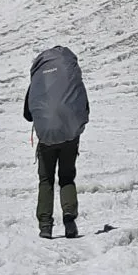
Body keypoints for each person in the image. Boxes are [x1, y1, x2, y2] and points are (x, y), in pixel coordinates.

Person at [23, 46, 90, 239]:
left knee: (46, 180)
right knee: (67, 177)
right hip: (70, 136)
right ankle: (69, 218)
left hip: (46, 139)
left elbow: (27, 114)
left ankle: (45, 226)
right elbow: (83, 105)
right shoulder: (71, 78)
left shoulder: (38, 81)